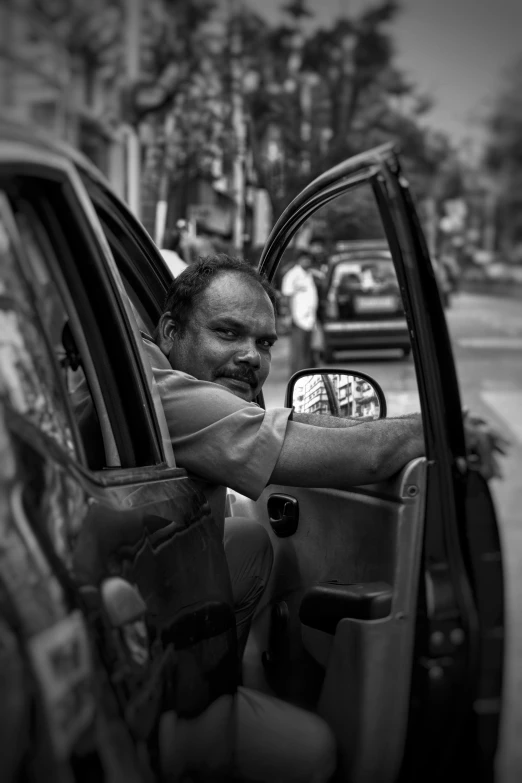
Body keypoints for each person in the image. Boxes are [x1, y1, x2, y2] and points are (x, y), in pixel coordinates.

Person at [281, 249, 319, 375]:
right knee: (298, 348)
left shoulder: (309, 274)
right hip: (297, 317)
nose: (307, 262)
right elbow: (287, 296)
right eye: (304, 259)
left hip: (309, 317)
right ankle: (297, 374)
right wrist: (288, 315)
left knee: (308, 348)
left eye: (309, 259)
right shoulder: (292, 275)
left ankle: (307, 373)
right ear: (298, 260)